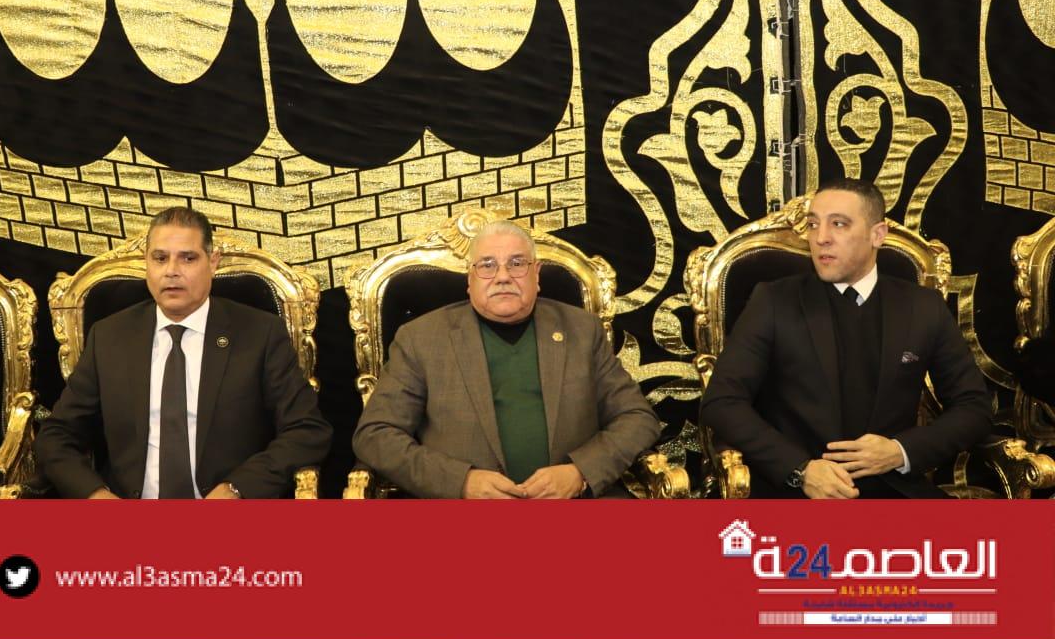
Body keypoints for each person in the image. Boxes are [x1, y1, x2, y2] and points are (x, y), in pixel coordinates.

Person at [700, 179, 992, 498]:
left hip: (893, 488)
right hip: (794, 492)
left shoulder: (923, 307)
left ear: (877, 234)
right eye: (814, 224)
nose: (821, 238)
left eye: (838, 224)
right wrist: (799, 469)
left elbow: (973, 407)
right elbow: (722, 401)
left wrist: (900, 451)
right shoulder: (773, 301)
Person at [352, 220, 661, 498]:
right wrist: (460, 483)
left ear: (536, 275)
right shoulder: (420, 339)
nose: (502, 277)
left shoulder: (582, 330)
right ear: (470, 279)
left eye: (516, 264)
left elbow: (637, 418)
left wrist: (580, 473)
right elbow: (375, 436)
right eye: (487, 265)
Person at [37, 207, 331, 499]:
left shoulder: (259, 334)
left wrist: (237, 489)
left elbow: (306, 430)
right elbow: (57, 435)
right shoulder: (110, 336)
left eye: (188, 258)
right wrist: (95, 495)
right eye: (160, 258)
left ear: (212, 262)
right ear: (146, 263)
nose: (172, 271)